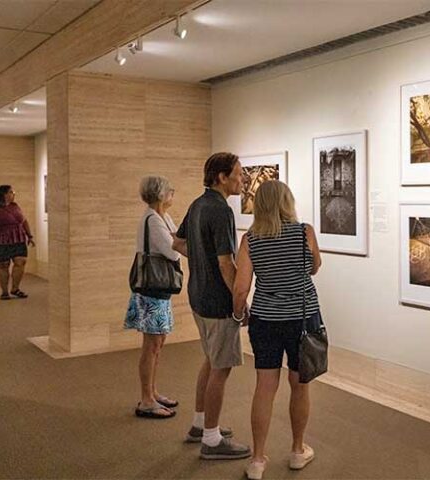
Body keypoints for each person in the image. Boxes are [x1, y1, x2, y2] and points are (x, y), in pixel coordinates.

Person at [232, 181, 323, 480]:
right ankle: (297, 450)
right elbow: (314, 268)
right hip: (302, 318)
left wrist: (238, 313)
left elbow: (241, 287)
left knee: (265, 387)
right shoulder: (304, 232)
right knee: (300, 385)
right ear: (288, 202)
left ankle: (257, 459)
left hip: (265, 320)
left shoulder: (250, 239)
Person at [173, 152, 251, 460]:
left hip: (197, 297)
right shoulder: (220, 210)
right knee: (221, 367)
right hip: (218, 302)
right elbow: (225, 262)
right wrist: (239, 300)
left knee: (210, 360)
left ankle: (199, 424)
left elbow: (177, 243)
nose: (242, 178)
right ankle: (212, 439)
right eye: (238, 173)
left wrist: (200, 260)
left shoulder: (197, 204)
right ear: (221, 177)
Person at [125, 176, 181, 419]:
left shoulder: (162, 217)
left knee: (158, 344)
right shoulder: (153, 220)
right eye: (170, 190)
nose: (173, 193)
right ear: (160, 194)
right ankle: (146, 399)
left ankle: (153, 391)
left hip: (159, 290)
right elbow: (173, 251)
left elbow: (177, 239)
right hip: (151, 291)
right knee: (151, 346)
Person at [0, 185, 35, 300]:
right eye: (11, 192)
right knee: (3, 265)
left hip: (18, 239)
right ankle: (4, 292)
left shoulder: (15, 206)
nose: (13, 194)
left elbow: (24, 221)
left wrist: (29, 235)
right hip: (1, 240)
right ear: (4, 194)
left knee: (21, 262)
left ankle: (15, 288)